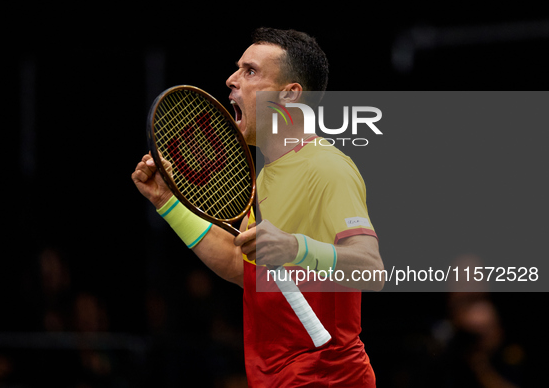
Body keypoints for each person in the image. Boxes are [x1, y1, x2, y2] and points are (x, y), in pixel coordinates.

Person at [132, 27, 384, 387]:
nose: (231, 79)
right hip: (272, 378)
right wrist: (166, 202)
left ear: (289, 95)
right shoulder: (263, 179)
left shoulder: (326, 167)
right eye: (238, 69)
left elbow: (371, 270)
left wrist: (295, 247)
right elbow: (243, 268)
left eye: (250, 71)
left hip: (328, 378)